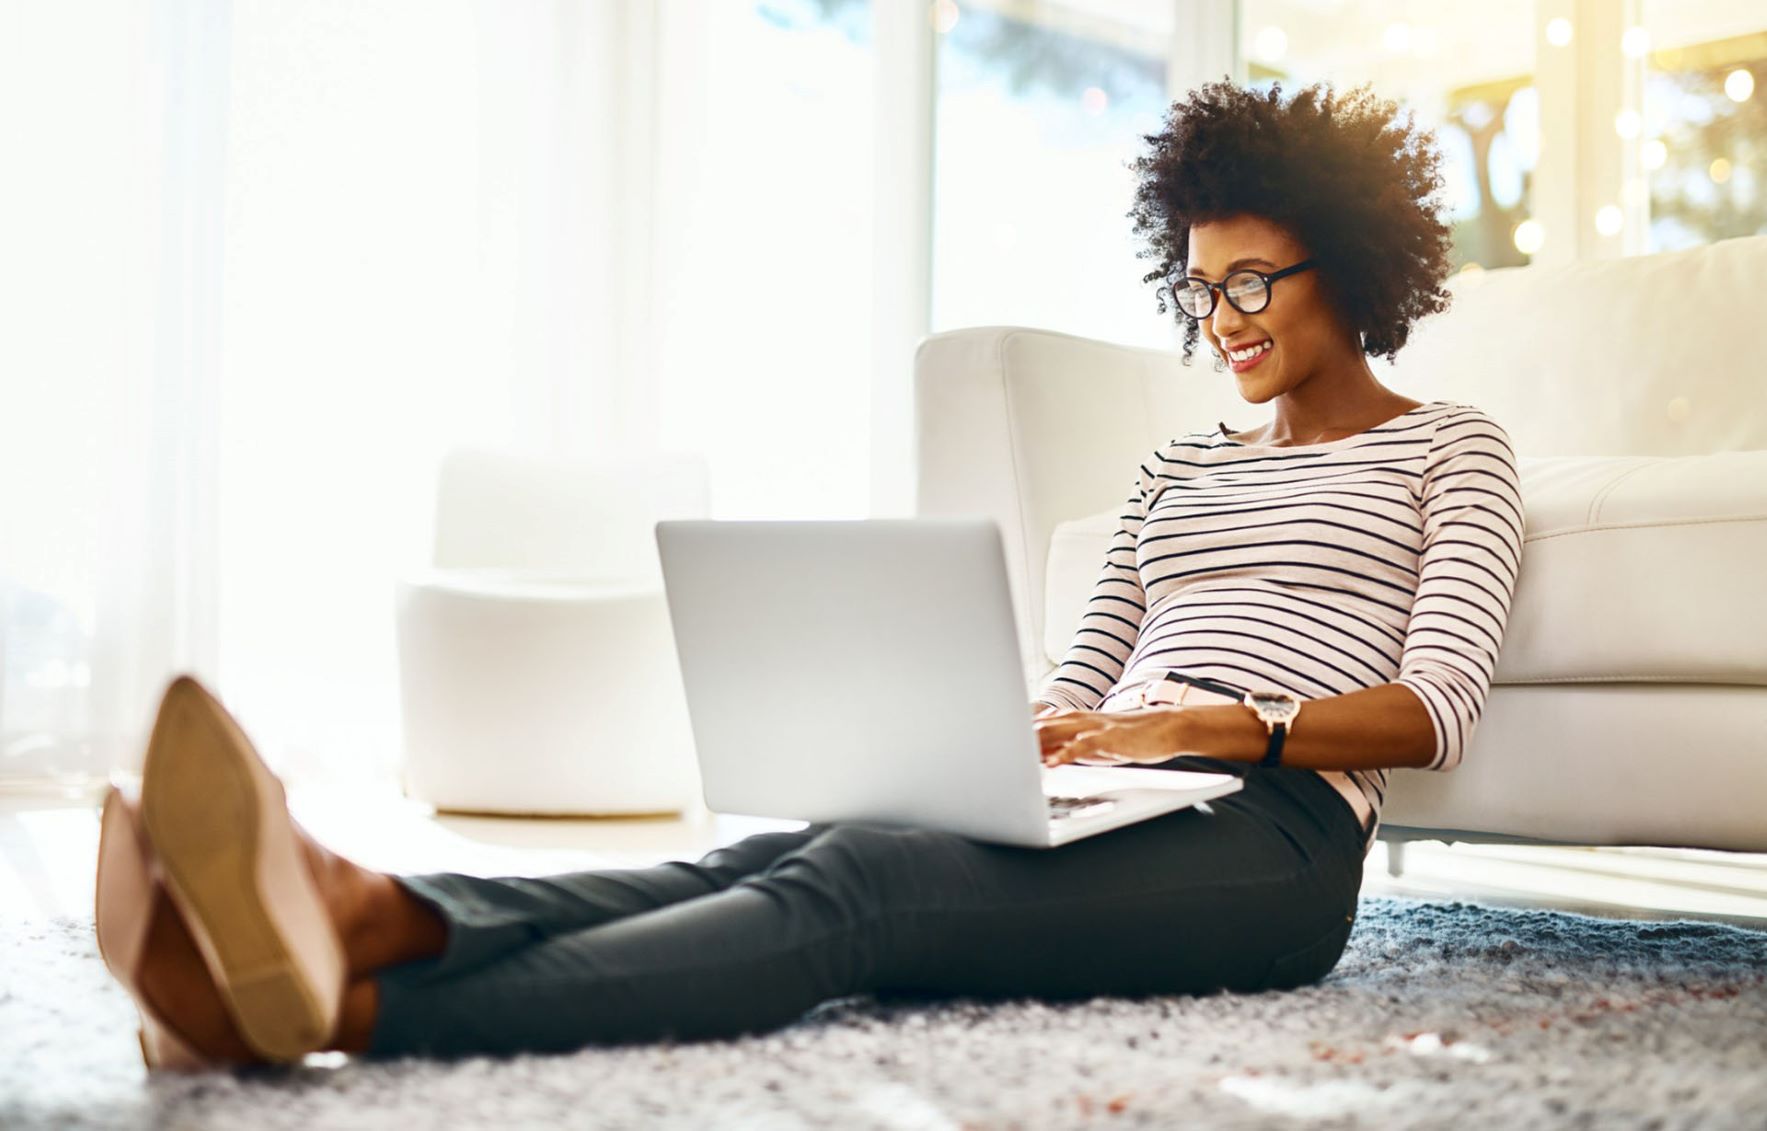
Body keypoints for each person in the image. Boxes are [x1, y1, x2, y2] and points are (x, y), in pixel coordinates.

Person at [91, 77, 1523, 1070]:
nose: (1225, 320)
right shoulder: (1173, 472)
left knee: (867, 895)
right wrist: (990, 742)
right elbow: (1080, 687)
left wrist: (1225, 728)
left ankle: (349, 1009)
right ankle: (367, 910)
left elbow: (1438, 708)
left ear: (1345, 265)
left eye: (1254, 282)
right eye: (1201, 291)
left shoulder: (1453, 451)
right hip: (1117, 792)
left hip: (1274, 844)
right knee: (787, 850)